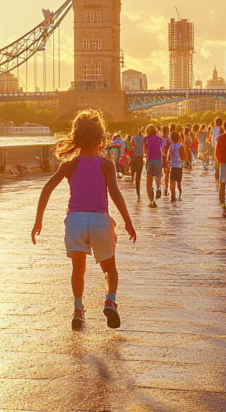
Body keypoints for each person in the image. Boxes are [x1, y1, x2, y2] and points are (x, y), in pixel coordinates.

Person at [32, 110, 136, 330]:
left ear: (76, 137)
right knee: (110, 269)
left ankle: (78, 311)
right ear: (101, 138)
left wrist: (38, 220)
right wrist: (128, 221)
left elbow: (47, 189)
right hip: (100, 221)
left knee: (78, 270)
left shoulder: (68, 165)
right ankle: (110, 300)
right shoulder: (106, 165)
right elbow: (115, 194)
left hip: (76, 221)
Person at [144, 124, 164, 208]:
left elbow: (145, 151)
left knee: (149, 182)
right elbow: (163, 149)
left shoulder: (146, 139)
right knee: (158, 176)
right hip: (158, 160)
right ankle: (158, 188)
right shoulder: (160, 139)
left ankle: (152, 201)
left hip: (150, 160)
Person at [166, 130, 188, 201]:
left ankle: (173, 195)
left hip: (172, 166)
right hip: (179, 165)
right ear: (179, 138)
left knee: (172, 181)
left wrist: (168, 165)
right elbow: (183, 157)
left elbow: (168, 157)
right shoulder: (181, 146)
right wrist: (185, 160)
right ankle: (180, 194)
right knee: (179, 181)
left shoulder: (171, 147)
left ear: (172, 139)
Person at [130, 128, 145, 199]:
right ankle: (138, 192)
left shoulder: (133, 138)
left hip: (134, 157)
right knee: (139, 174)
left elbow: (131, 147)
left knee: (133, 172)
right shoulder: (143, 138)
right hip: (140, 157)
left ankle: (137, 191)